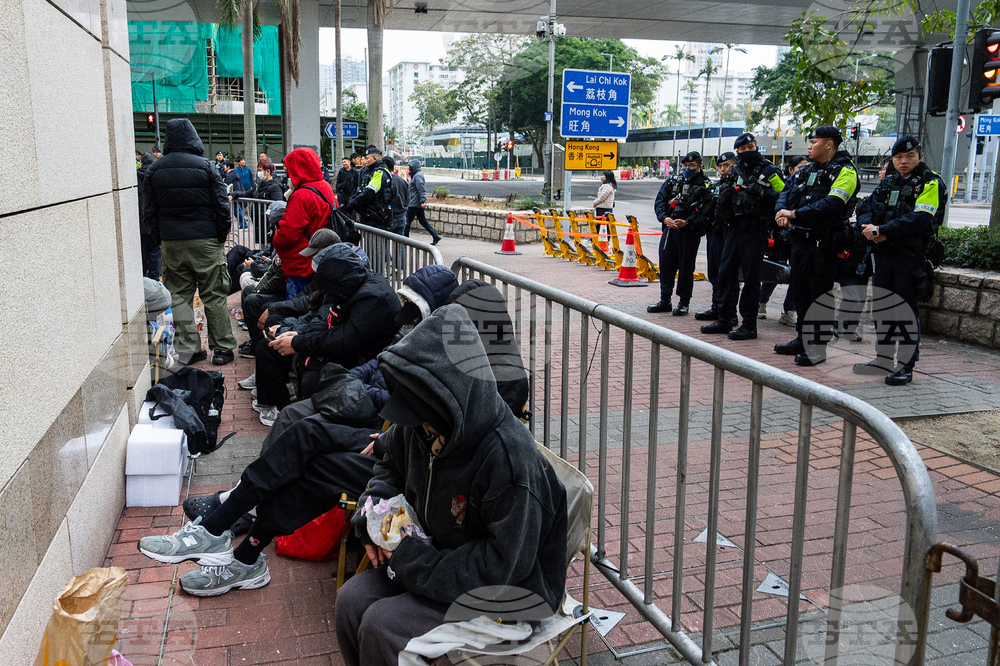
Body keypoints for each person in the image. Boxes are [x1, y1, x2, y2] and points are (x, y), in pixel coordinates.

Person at [335, 305, 567, 666]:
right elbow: (389, 464)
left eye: (426, 417)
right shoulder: (423, 424)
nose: (421, 426)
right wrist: (371, 515)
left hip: (510, 596)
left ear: (451, 400)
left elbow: (503, 567)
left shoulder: (509, 460)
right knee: (350, 603)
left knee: (384, 628)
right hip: (437, 556)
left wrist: (413, 561)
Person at [253, 244, 401, 425]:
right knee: (269, 347)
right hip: (342, 345)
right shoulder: (349, 285)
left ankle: (300, 418)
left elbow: (345, 341)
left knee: (312, 377)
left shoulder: (372, 298)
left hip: (362, 359)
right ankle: (281, 408)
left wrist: (298, 341)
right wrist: (298, 333)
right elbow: (324, 317)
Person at [141, 118, 237, 366]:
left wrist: (160, 239)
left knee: (179, 297)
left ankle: (191, 349)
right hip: (206, 239)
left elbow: (148, 211)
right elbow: (221, 206)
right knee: (214, 295)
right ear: (194, 138)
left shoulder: (154, 170)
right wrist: (220, 237)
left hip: (171, 242)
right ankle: (223, 349)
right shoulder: (206, 167)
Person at [853, 136, 945, 386]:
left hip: (910, 256)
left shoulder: (930, 182)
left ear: (920, 156)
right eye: (898, 158)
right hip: (883, 255)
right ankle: (883, 358)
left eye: (909, 157)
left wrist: (881, 229)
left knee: (905, 310)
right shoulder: (889, 182)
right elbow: (865, 207)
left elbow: (920, 219)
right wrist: (872, 228)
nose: (903, 162)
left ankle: (906, 365)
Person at [774, 126, 860, 367]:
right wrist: (782, 213)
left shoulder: (846, 171)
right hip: (801, 240)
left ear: (829, 144)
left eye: (814, 141)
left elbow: (833, 203)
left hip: (825, 242)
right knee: (800, 293)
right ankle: (802, 339)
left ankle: (817, 348)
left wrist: (794, 213)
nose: (809, 145)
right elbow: (785, 191)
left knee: (819, 295)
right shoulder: (808, 169)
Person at [701, 133, 785, 340]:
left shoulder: (769, 171)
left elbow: (785, 195)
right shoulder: (735, 171)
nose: (748, 151)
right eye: (743, 148)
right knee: (725, 274)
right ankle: (725, 318)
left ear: (756, 147)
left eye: (751, 146)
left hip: (755, 231)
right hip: (733, 230)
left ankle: (749, 324)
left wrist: (764, 194)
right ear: (737, 151)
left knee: (750, 279)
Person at [648, 151, 712, 316]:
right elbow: (660, 201)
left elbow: (706, 210)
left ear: (699, 167)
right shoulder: (673, 181)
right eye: (685, 165)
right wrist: (664, 218)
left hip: (689, 232)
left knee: (686, 268)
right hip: (670, 229)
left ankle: (684, 302)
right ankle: (665, 300)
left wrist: (688, 222)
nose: (687, 168)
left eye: (691, 166)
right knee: (666, 265)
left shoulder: (706, 185)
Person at [272, 147, 335, 299]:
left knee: (295, 308)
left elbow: (288, 234)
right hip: (319, 255)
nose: (289, 176)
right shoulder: (325, 186)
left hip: (301, 261)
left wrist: (276, 240)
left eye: (290, 171)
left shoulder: (301, 195)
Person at [759, 155, 808, 325]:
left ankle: (788, 312)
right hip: (781, 236)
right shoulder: (785, 186)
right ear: (791, 169)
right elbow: (776, 201)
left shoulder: (809, 186)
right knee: (774, 272)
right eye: (800, 167)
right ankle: (761, 303)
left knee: (797, 276)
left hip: (799, 236)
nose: (804, 170)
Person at [694, 152, 736, 322]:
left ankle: (729, 314)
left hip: (728, 233)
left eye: (727, 165)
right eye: (720, 166)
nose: (723, 169)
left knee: (727, 275)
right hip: (714, 232)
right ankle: (716, 307)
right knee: (714, 273)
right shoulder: (716, 185)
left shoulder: (738, 184)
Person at [343, 146, 393, 229]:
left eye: (367, 158)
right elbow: (361, 189)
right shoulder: (368, 171)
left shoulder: (379, 172)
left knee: (375, 241)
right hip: (369, 215)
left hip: (376, 217)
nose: (365, 161)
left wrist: (353, 202)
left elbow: (369, 192)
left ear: (375, 158)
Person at [136, 152, 161, 280]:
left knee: (143, 252)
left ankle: (143, 280)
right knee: (155, 252)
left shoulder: (134, 177)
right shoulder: (157, 176)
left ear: (141, 163)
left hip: (140, 221)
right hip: (155, 221)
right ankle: (154, 279)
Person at [405, 158, 441, 244]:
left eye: (410, 167)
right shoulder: (416, 175)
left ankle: (405, 239)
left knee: (407, 221)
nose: (409, 168)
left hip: (414, 203)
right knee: (422, 221)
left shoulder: (417, 176)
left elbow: (421, 189)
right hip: (416, 203)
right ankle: (435, 235)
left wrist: (423, 201)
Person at [384, 156, 408, 235]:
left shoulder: (385, 181)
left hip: (389, 216)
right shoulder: (402, 181)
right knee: (400, 242)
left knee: (384, 242)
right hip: (402, 215)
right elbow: (408, 197)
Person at [592, 169, 617, 240]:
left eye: (604, 176)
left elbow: (602, 197)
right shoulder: (609, 185)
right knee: (603, 225)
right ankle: (601, 239)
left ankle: (603, 240)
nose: (602, 177)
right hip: (604, 207)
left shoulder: (607, 186)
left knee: (602, 225)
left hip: (603, 208)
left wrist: (595, 203)